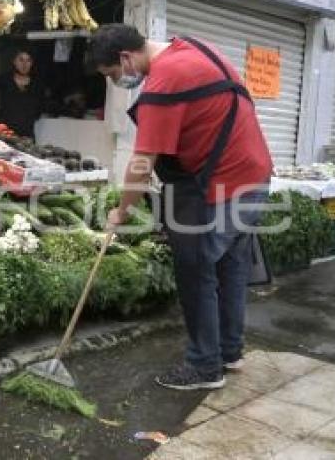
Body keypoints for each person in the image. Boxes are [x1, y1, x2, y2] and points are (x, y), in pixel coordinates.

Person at [89, 24, 273, 391]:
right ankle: (229, 351)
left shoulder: (163, 82)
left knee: (196, 272)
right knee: (231, 269)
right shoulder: (194, 47)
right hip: (255, 177)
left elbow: (142, 164)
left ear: (125, 58)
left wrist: (120, 212)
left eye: (112, 75)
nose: (115, 83)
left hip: (220, 189)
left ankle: (205, 367)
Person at [0, 50, 45, 138]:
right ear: (14, 62)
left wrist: (35, 115)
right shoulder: (5, 79)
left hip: (26, 132)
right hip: (4, 131)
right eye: (21, 60)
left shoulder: (36, 82)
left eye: (28, 60)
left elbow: (41, 101)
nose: (24, 64)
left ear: (31, 63)